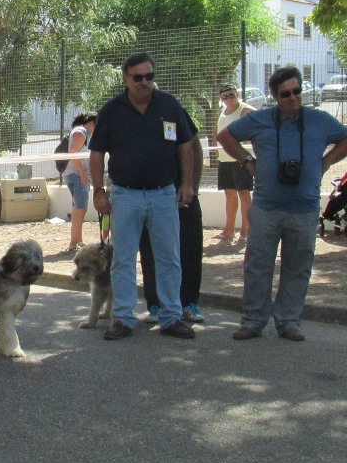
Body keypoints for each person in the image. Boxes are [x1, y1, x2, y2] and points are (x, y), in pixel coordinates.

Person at [217, 66, 347, 342]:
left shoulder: (319, 120)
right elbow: (225, 137)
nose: (293, 98)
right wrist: (248, 162)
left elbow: (345, 138)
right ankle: (253, 321)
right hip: (265, 207)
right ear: (275, 96)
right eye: (286, 94)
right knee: (257, 266)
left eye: (297, 91)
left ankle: (288, 321)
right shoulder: (260, 119)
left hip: (305, 207)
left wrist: (326, 162)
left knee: (298, 266)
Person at [89, 52, 195, 340]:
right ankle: (122, 318)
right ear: (126, 80)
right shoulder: (112, 110)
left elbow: (186, 145)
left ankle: (171, 317)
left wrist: (187, 184)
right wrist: (98, 191)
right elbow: (96, 152)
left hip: (164, 195)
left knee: (169, 258)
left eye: (149, 76)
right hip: (125, 196)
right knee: (123, 259)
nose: (145, 82)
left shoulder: (169, 105)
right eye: (138, 77)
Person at [140, 117, 205, 324]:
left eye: (149, 81)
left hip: (181, 194)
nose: (144, 83)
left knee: (189, 248)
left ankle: (188, 304)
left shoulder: (174, 111)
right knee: (150, 251)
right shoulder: (128, 114)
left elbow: (196, 150)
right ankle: (156, 306)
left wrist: (192, 187)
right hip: (145, 196)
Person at [215, 84, 256, 240]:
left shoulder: (246, 110)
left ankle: (246, 231)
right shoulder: (222, 112)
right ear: (221, 98)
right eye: (225, 96)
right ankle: (229, 230)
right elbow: (217, 133)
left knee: (244, 193)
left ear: (237, 94)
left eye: (231, 95)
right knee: (229, 193)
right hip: (224, 159)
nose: (229, 99)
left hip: (240, 159)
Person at [64, 112, 96, 252]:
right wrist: (83, 174)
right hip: (77, 175)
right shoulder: (81, 132)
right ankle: (73, 242)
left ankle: (78, 240)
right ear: (91, 123)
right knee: (80, 209)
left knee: (77, 208)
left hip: (75, 175)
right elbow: (73, 152)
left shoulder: (81, 133)